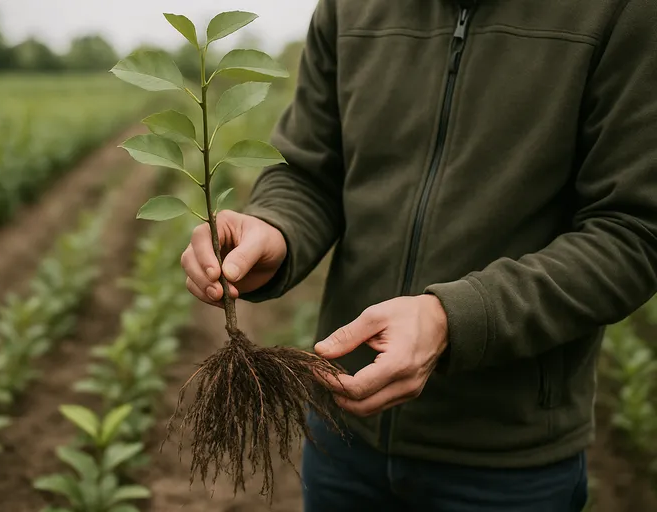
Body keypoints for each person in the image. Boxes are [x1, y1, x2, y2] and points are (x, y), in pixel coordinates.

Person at [180, 0, 657, 510]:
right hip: (341, 433)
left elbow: (635, 228)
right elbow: (309, 170)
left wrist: (454, 320)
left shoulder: (625, 12)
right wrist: (276, 227)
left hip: (505, 466)